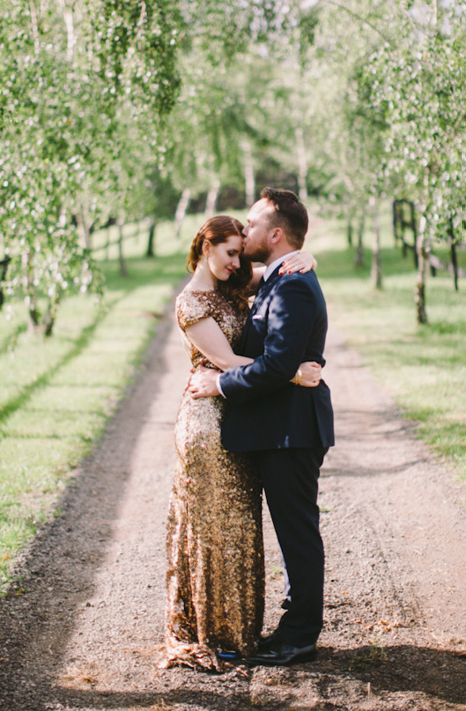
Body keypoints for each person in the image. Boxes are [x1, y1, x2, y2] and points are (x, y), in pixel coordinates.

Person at [160, 214, 321, 672]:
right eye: (229, 252)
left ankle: (239, 630)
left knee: (239, 529)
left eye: (238, 252)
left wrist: (307, 257)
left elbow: (278, 269)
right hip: (207, 422)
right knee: (212, 528)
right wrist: (291, 372)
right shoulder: (191, 303)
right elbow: (227, 359)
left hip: (239, 420)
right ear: (205, 247)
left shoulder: (232, 285)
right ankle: (213, 631)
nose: (237, 261)